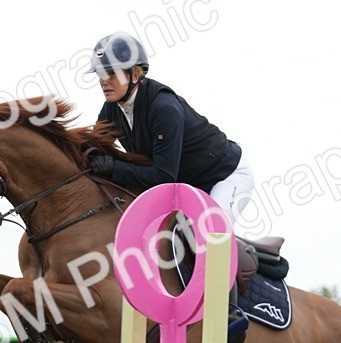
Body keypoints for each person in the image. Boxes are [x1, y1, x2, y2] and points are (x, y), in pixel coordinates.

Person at [86, 33, 255, 227]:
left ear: (135, 74)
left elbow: (164, 177)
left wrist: (114, 168)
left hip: (226, 176)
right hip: (187, 185)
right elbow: (92, 149)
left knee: (213, 231)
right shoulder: (112, 109)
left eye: (111, 73)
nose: (103, 81)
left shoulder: (163, 108)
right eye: (100, 74)